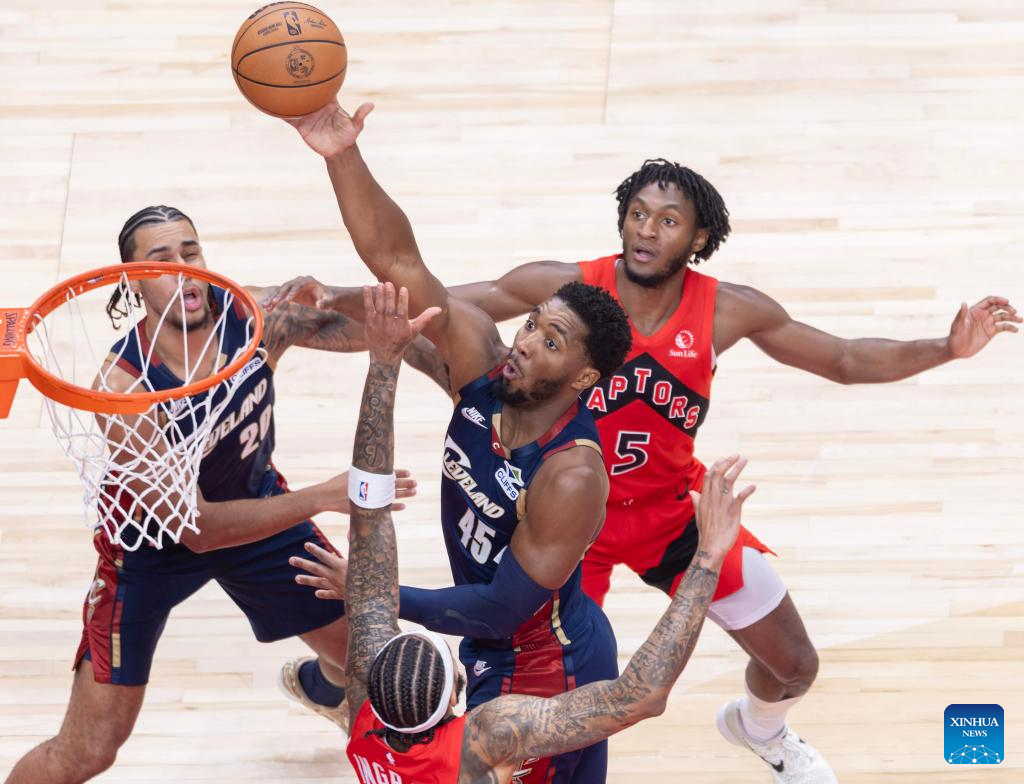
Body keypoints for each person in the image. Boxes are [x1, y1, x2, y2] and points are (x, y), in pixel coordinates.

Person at [271, 156, 1020, 783]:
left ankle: (760, 730)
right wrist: (325, 306)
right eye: (637, 213)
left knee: (794, 664)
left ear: (699, 237)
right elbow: (425, 306)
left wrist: (945, 348)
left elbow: (846, 359)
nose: (647, 229)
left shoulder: (726, 310)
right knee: (553, 692)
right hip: (569, 527)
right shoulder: (562, 290)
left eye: (667, 220)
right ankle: (381, 699)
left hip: (671, 515)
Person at [3, 205, 442, 784]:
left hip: (258, 511)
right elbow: (198, 530)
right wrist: (323, 496)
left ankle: (324, 687)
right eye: (161, 262)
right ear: (134, 282)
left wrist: (457, 364)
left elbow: (386, 330)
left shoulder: (252, 316)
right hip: (149, 550)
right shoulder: (124, 388)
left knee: (369, 659)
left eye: (191, 253)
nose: (184, 270)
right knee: (89, 751)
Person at [278, 102, 635, 783]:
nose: (526, 342)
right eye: (532, 324)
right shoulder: (485, 366)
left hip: (546, 666)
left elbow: (502, 609)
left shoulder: (570, 475)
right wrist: (341, 154)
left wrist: (375, 596)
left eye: (551, 341)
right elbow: (400, 262)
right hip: (487, 645)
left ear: (584, 376)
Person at [295, 280, 753, 784]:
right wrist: (708, 554)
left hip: (553, 644)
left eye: (546, 335)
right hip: (542, 665)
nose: (526, 340)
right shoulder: (488, 738)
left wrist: (383, 359)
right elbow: (640, 695)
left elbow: (371, 519)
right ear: (455, 695)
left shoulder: (366, 724)